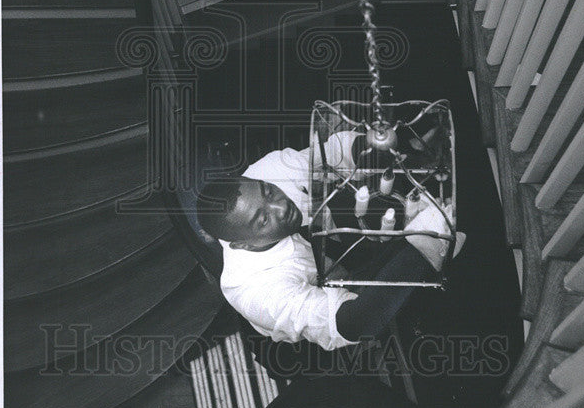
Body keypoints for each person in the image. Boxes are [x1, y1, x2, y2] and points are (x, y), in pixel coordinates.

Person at [196, 131, 465, 353]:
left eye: (268, 192)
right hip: (310, 336)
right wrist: (427, 243)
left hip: (326, 252)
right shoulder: (255, 291)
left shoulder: (267, 170)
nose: (280, 207)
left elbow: (329, 155)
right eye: (262, 220)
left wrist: (380, 145)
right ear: (242, 244)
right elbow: (356, 321)